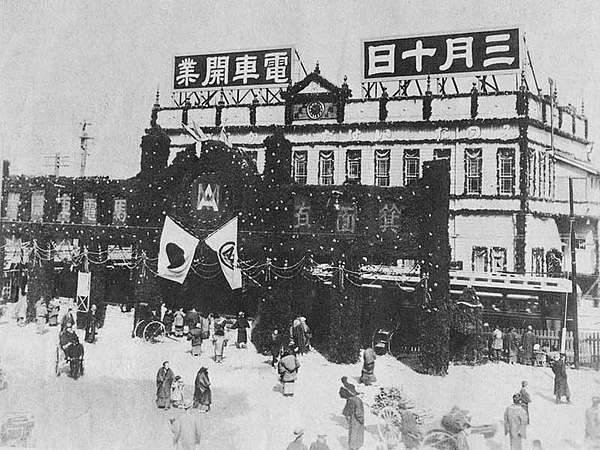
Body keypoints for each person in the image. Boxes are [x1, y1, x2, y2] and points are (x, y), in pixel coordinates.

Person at [340, 382, 365, 450]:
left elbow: (346, 412)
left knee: (352, 434)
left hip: (352, 421)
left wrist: (348, 419)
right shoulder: (357, 401)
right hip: (357, 421)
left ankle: (352, 447)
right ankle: (355, 448)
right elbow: (359, 413)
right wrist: (361, 420)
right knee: (357, 435)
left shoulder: (350, 400)